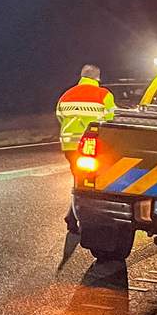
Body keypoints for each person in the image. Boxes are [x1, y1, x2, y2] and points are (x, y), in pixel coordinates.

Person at [56, 64, 117, 232]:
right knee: (90, 183)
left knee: (80, 179)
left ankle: (72, 216)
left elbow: (60, 117)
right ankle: (80, 218)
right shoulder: (104, 95)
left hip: (69, 145)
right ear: (98, 79)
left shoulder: (66, 95)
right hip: (92, 146)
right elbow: (112, 120)